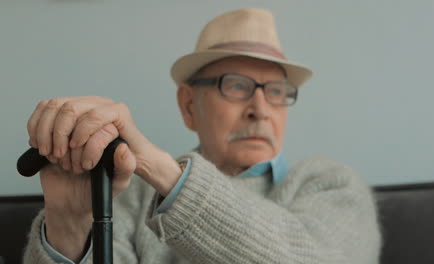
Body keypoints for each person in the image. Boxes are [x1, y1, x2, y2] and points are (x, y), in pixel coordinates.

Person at [23, 8, 381, 264]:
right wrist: (70, 224)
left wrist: (161, 169)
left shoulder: (333, 185)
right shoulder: (128, 194)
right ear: (189, 106)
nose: (261, 108)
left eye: (275, 91)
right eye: (237, 86)